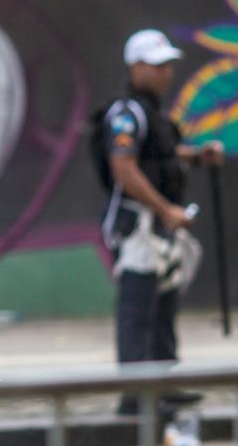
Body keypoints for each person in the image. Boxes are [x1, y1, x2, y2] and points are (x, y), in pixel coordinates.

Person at [98, 29, 224, 415]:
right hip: (138, 227)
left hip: (161, 228)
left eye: (168, 66)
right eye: (157, 66)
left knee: (164, 308)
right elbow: (125, 169)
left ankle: (164, 385)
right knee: (137, 312)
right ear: (135, 67)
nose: (165, 74)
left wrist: (196, 155)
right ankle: (136, 397)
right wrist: (164, 209)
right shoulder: (125, 114)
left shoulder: (153, 114)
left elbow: (162, 157)